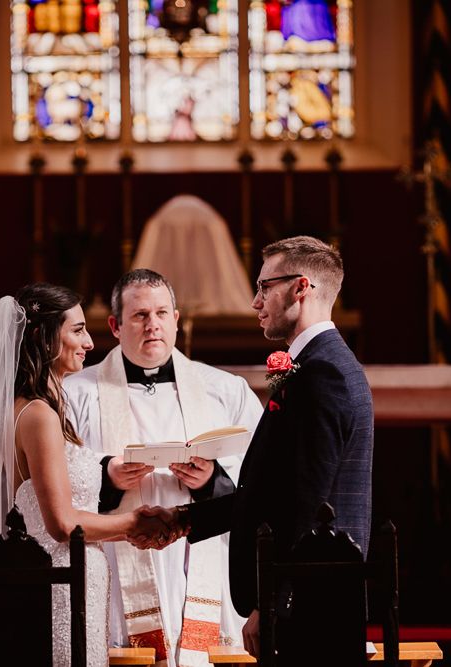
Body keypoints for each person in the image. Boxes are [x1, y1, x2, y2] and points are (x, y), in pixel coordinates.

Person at [0, 284, 171, 667]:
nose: (89, 343)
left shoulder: (37, 410)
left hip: (62, 576)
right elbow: (61, 523)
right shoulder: (38, 416)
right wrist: (135, 523)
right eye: (77, 330)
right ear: (41, 336)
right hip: (58, 582)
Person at [137, 236, 374, 661]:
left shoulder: (323, 374)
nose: (254, 301)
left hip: (310, 604)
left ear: (301, 288)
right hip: (314, 596)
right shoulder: (319, 365)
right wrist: (182, 519)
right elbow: (276, 490)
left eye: (265, 287)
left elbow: (307, 505)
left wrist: (275, 603)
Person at [64, 269, 263, 667]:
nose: (152, 325)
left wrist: (211, 480)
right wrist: (108, 475)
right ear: (116, 326)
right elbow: (54, 474)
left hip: (201, 554)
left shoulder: (226, 389)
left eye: (161, 313)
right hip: (117, 560)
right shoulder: (76, 393)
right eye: (139, 316)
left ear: (176, 319)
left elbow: (262, 477)